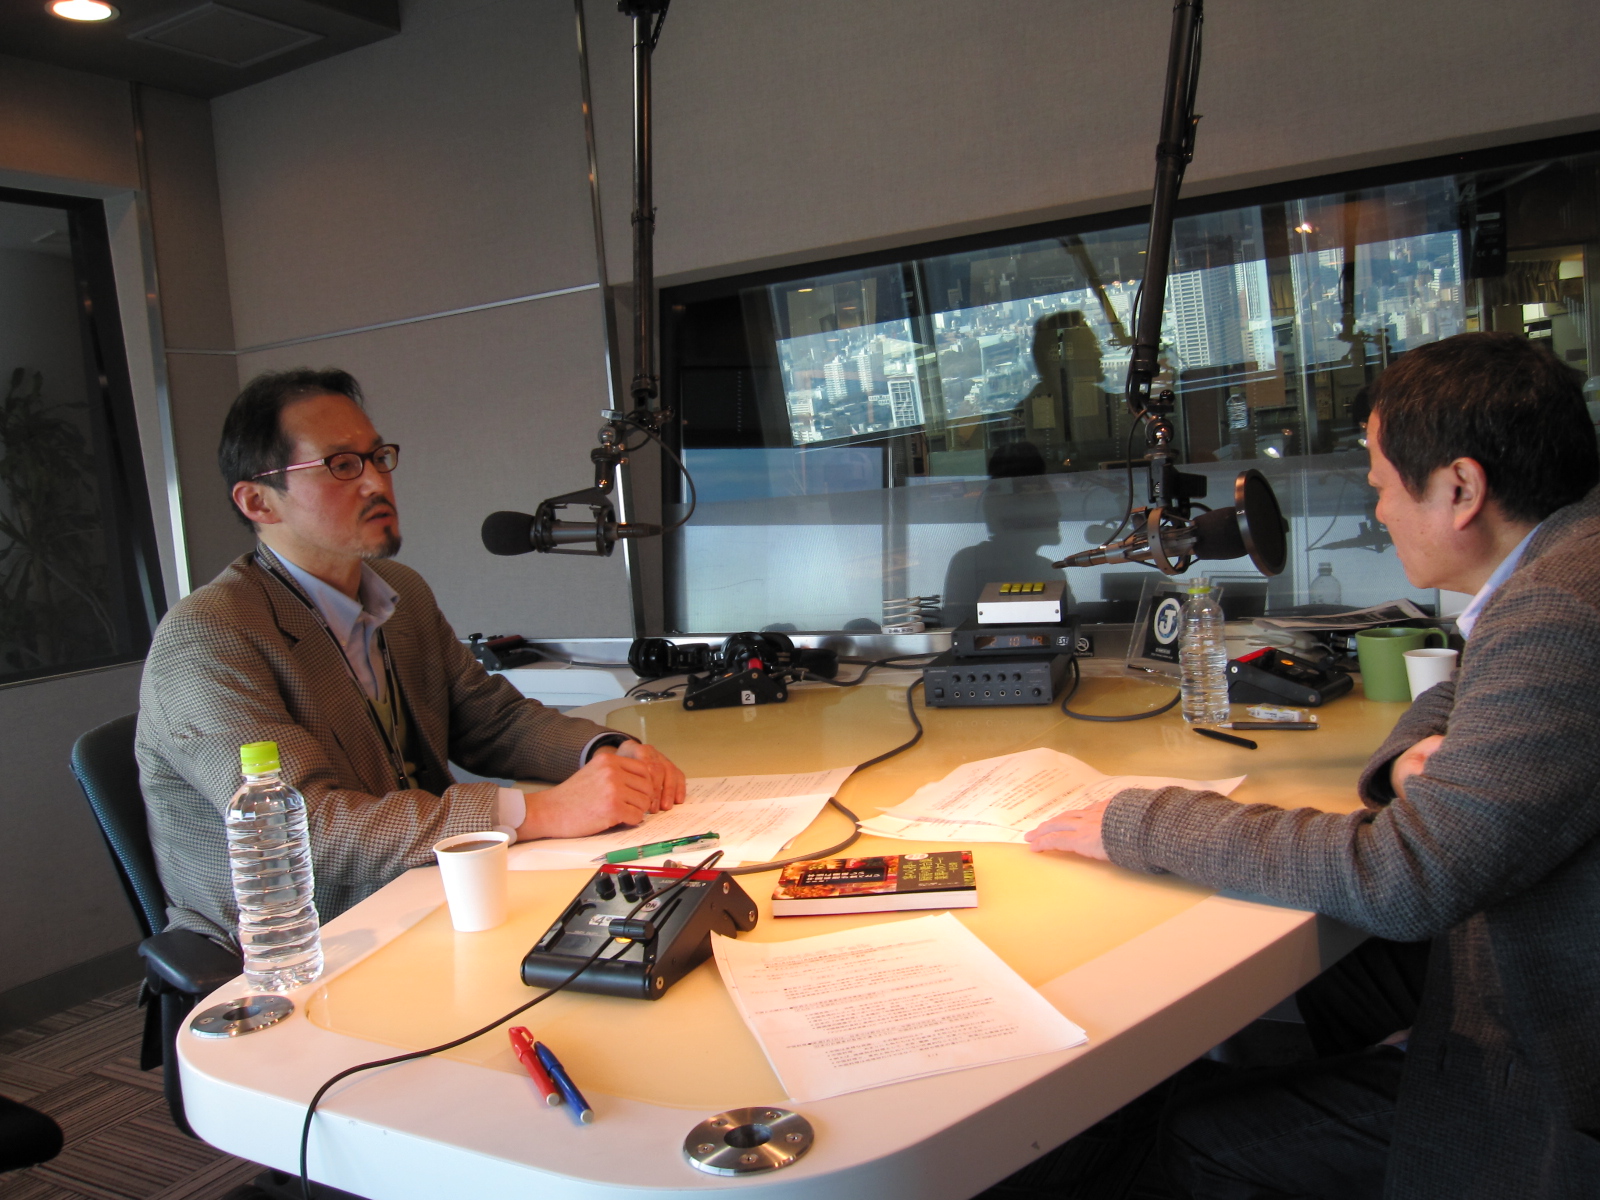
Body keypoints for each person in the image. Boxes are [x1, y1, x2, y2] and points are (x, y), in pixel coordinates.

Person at [1024, 332, 1600, 1198]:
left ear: (1461, 488)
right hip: (1533, 958)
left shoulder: (1559, 610)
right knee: (1331, 979)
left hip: (1555, 1062)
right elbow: (1466, 685)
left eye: (1381, 487)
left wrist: (1145, 821)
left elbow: (1405, 877)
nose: (1379, 512)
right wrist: (1404, 764)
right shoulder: (1568, 557)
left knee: (1199, 1135)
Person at [136, 369, 685, 946]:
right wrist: (539, 813)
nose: (376, 482)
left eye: (378, 457)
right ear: (258, 501)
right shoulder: (208, 636)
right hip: (302, 944)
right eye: (341, 465)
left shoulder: (401, 593)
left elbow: (493, 721)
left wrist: (605, 753)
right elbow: (308, 827)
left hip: (431, 895)